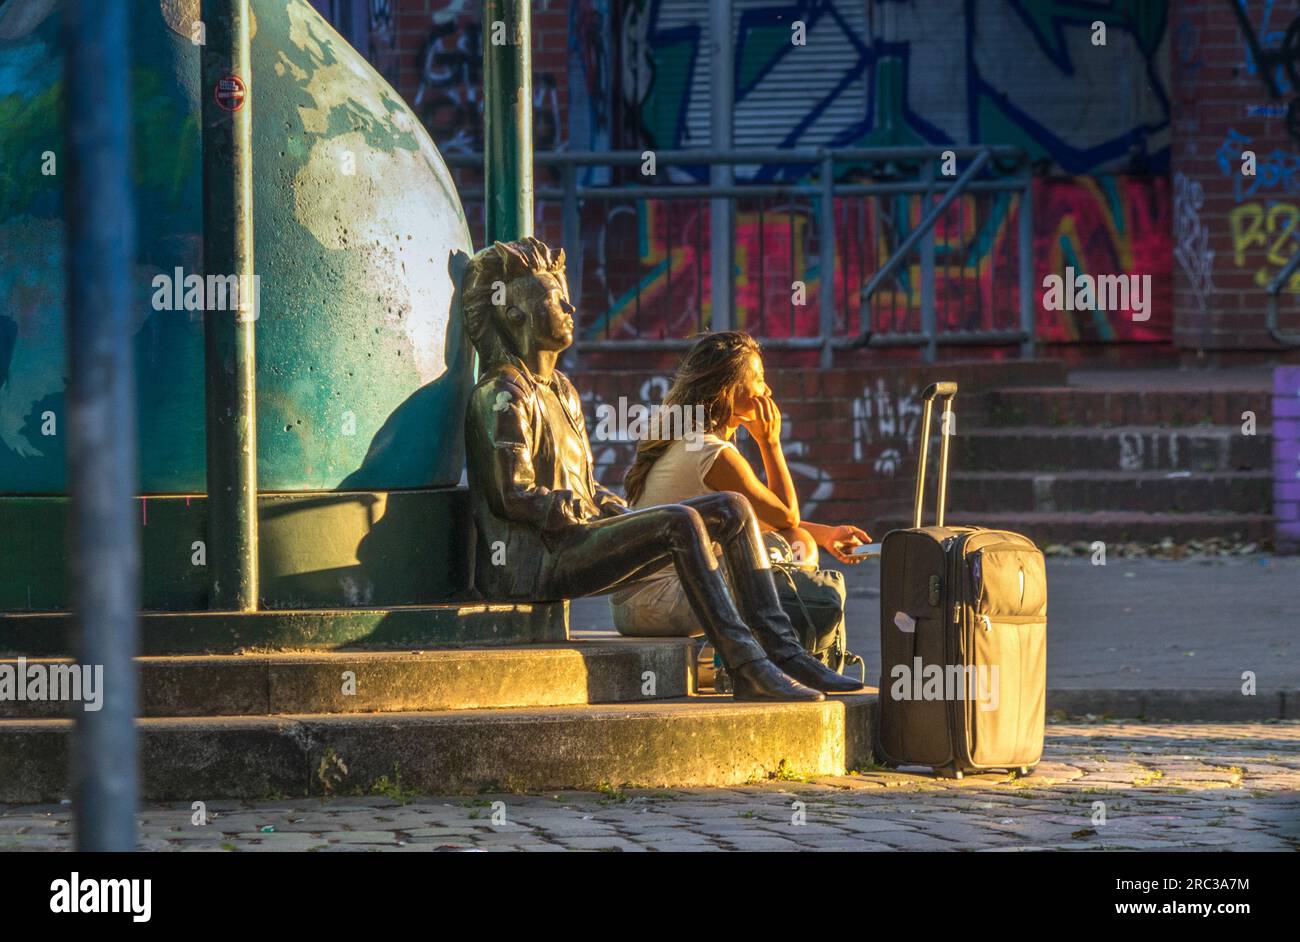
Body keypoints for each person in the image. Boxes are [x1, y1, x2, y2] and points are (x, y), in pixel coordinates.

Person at [460, 237, 864, 702]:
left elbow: (585, 484)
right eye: (555, 299)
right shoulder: (502, 394)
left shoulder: (562, 391)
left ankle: (786, 654)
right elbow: (513, 493)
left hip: (571, 542)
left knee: (731, 509)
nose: (570, 306)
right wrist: (584, 514)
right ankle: (748, 666)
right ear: (515, 315)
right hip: (535, 561)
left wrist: (610, 508)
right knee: (681, 519)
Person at [612, 330, 871, 639]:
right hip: (661, 602)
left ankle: (764, 650)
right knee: (798, 544)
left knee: (797, 540)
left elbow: (757, 521)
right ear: (728, 391)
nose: (769, 390)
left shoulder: (685, 437)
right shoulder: (712, 454)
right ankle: (780, 650)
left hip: (638, 605)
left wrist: (827, 535)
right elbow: (787, 516)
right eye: (759, 379)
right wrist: (770, 443)